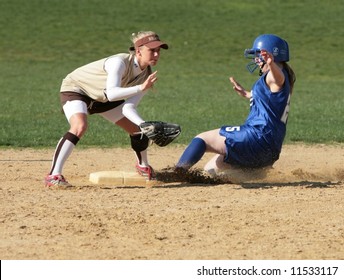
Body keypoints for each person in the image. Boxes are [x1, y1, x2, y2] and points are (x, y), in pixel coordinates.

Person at [45, 31, 168, 187]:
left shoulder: (146, 76)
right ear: (138, 51)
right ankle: (54, 175)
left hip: (102, 98)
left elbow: (129, 108)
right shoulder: (119, 62)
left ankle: (143, 166)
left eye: (159, 51)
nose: (156, 54)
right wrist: (141, 88)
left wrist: (145, 125)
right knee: (79, 126)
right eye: (152, 50)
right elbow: (112, 93)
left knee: (138, 130)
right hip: (77, 89)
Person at [175, 34, 296, 176]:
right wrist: (247, 94)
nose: (256, 60)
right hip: (270, 151)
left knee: (202, 139)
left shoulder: (275, 75)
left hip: (256, 137)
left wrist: (271, 64)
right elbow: (270, 99)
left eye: (258, 55)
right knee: (210, 170)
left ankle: (177, 173)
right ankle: (254, 174)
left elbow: (277, 79)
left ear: (270, 55)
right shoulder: (285, 79)